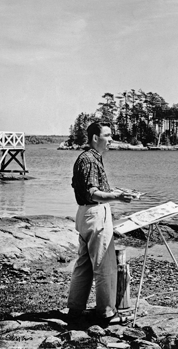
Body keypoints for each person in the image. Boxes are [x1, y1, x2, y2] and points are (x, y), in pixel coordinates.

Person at [67, 122, 133, 323]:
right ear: (95, 138)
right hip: (95, 214)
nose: (111, 139)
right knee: (105, 265)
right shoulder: (89, 160)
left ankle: (75, 310)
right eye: (108, 135)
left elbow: (81, 186)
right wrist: (118, 198)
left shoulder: (86, 158)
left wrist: (115, 192)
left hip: (85, 214)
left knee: (84, 264)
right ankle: (106, 313)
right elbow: (92, 193)